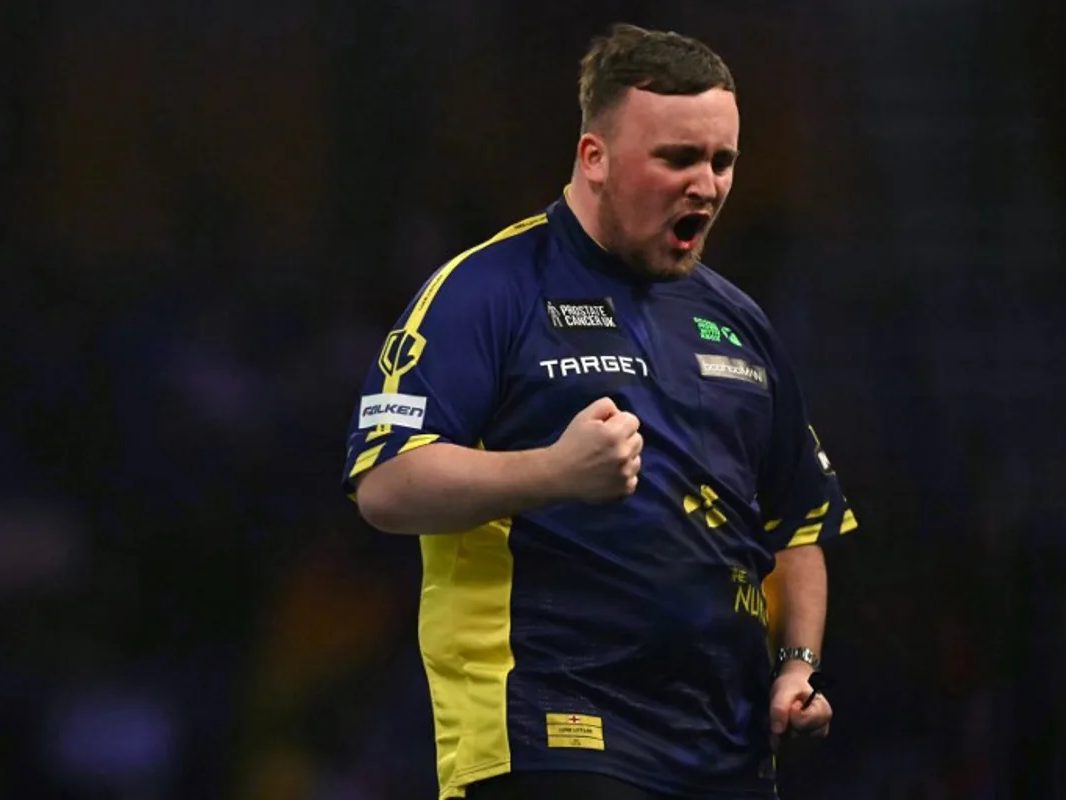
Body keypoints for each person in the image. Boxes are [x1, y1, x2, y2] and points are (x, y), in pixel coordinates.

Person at [341, 22, 859, 800]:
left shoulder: (741, 323)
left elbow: (797, 525)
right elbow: (385, 484)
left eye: (722, 161)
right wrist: (555, 471)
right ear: (595, 157)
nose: (707, 185)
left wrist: (797, 668)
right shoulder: (487, 290)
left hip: (726, 748)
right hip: (550, 728)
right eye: (678, 158)